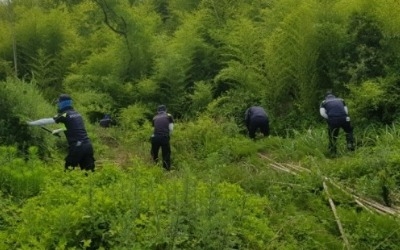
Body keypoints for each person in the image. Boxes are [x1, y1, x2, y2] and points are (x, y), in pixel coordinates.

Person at [27, 94, 95, 172]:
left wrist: (30, 123)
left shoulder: (65, 114)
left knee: (68, 170)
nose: (58, 105)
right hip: (88, 146)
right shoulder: (77, 114)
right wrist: (58, 130)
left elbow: (47, 121)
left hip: (77, 147)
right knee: (89, 172)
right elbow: (73, 127)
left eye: (59, 103)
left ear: (63, 103)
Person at [150, 105, 174, 171]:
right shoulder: (169, 116)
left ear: (158, 111)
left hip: (155, 137)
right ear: (165, 110)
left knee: (154, 153)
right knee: (166, 154)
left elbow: (153, 130)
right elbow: (171, 129)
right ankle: (166, 170)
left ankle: (154, 167)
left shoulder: (154, 117)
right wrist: (168, 135)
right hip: (164, 137)